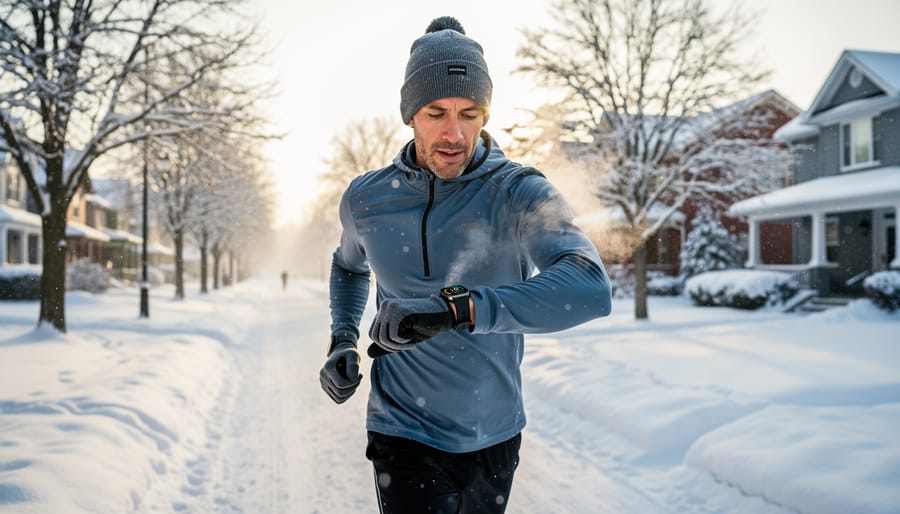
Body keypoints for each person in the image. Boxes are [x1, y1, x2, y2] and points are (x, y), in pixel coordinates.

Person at [319, 16, 611, 514]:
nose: (455, 133)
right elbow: (349, 266)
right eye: (437, 112)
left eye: (470, 113)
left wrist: (457, 309)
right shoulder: (367, 198)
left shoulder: (519, 192)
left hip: (494, 435)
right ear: (410, 114)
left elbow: (589, 286)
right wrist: (342, 337)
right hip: (402, 431)